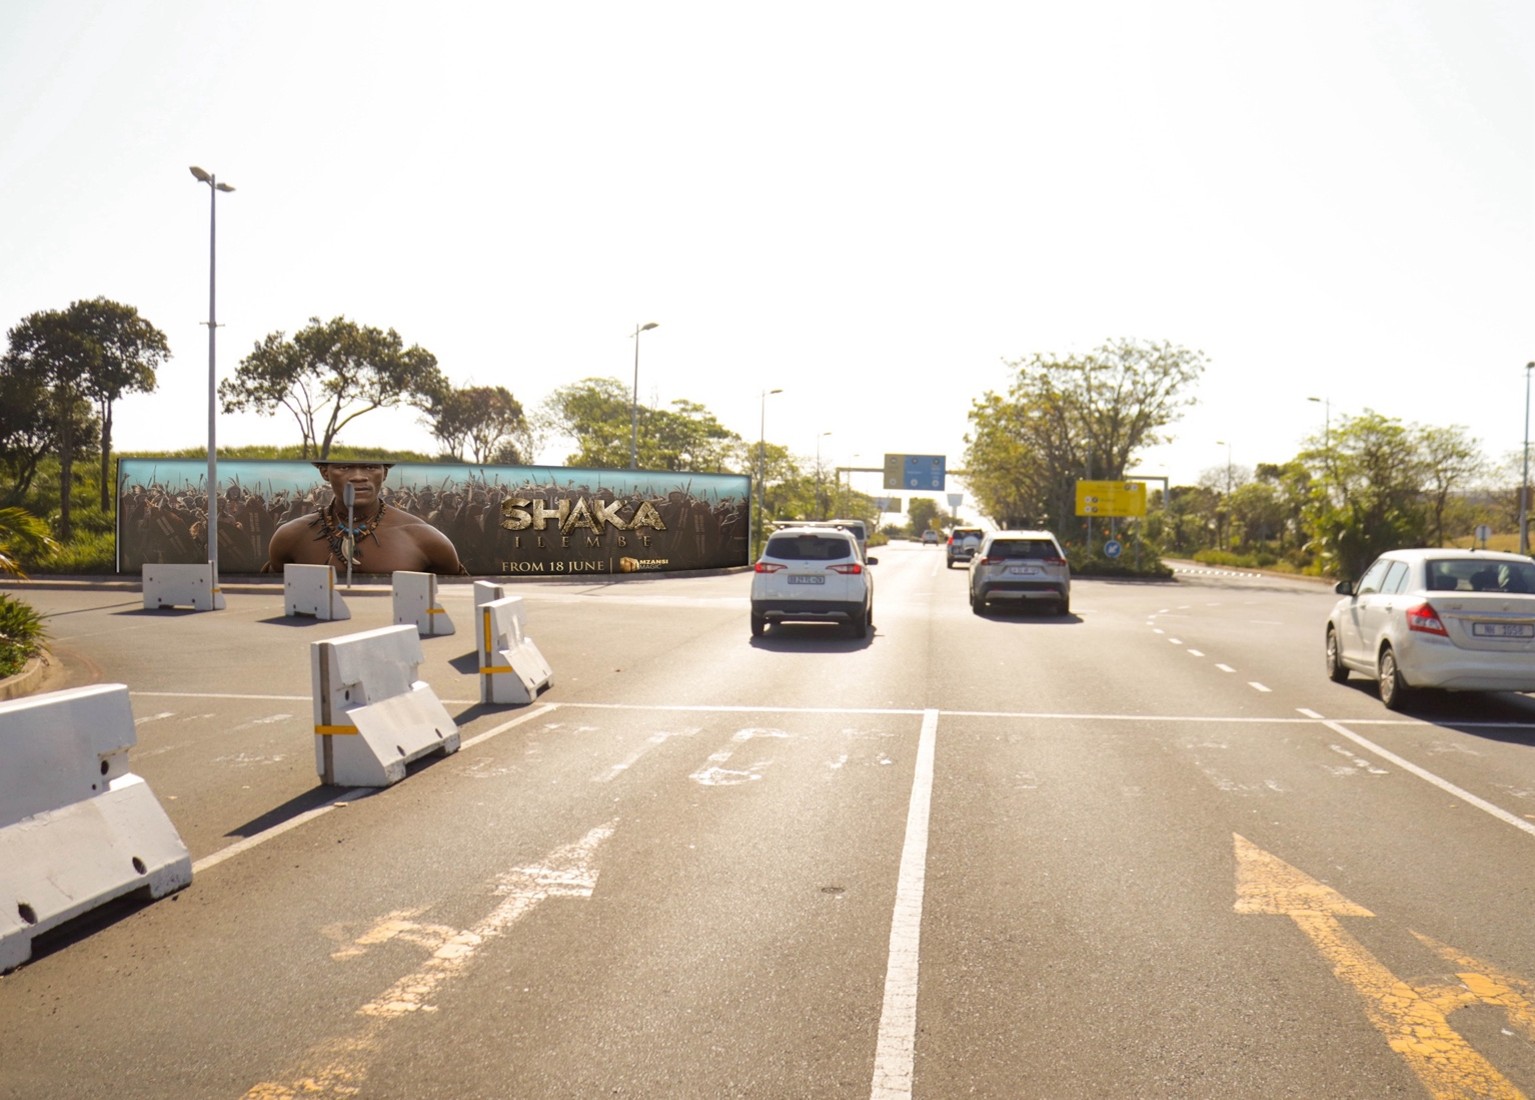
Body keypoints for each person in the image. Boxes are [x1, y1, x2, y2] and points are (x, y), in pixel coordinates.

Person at [264, 462, 467, 575]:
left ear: (384, 472)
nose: (359, 476)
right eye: (345, 467)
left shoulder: (425, 539)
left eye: (370, 467)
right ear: (325, 471)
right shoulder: (291, 537)